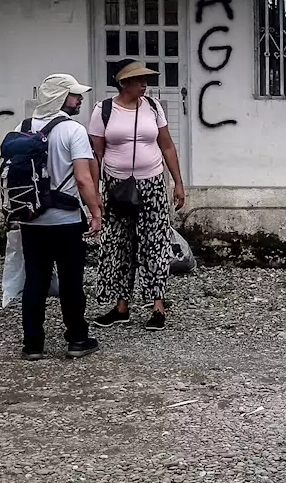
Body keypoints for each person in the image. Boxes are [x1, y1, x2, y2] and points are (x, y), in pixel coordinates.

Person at [88, 59, 186, 332]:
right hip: (116, 185)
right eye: (139, 80)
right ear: (123, 83)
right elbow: (96, 154)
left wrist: (177, 182)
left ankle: (157, 306)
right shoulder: (103, 110)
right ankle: (120, 307)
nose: (145, 84)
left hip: (152, 184)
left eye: (146, 80)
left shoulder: (153, 108)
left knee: (155, 243)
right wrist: (95, 193)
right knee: (119, 244)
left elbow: (166, 146)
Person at [12, 74, 104, 360]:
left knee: (35, 280)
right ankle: (77, 339)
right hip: (64, 220)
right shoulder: (72, 130)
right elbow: (83, 178)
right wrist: (95, 211)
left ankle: (33, 344)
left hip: (30, 217)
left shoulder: (22, 127)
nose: (79, 99)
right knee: (70, 280)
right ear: (60, 98)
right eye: (74, 95)